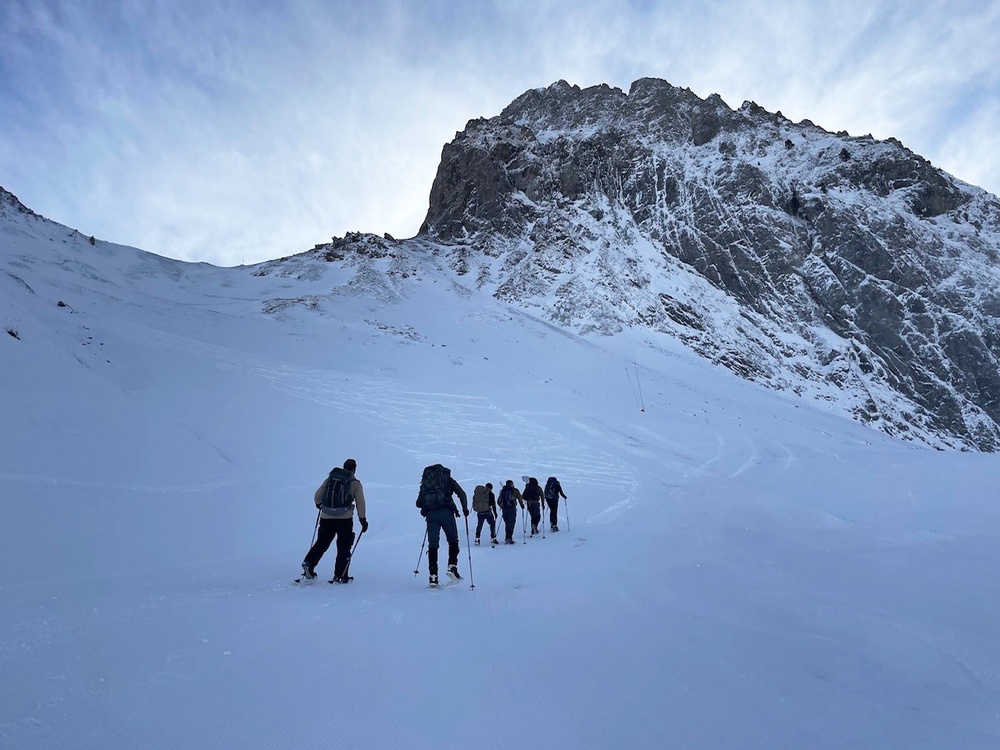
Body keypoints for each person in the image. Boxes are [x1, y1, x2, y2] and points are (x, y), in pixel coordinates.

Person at [302, 458, 368, 583]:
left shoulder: (330, 479)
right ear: (354, 469)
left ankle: (309, 563)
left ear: (343, 467)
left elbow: (317, 497)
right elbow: (360, 503)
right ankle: (340, 575)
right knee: (343, 547)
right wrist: (363, 520)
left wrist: (320, 505)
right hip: (345, 519)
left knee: (322, 543)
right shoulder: (355, 483)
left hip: (326, 517)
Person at [415, 464, 469, 586]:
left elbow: (418, 503)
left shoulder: (426, 483)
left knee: (433, 545)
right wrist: (465, 509)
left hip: (431, 516)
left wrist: (430, 502)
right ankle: (452, 567)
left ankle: (433, 577)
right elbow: (462, 493)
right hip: (446, 513)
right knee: (453, 540)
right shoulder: (447, 479)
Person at [496, 479, 523, 544]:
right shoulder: (515, 490)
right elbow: (520, 498)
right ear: (512, 484)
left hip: (504, 510)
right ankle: (509, 537)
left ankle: (507, 537)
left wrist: (502, 507)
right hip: (512, 509)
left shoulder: (503, 491)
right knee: (511, 523)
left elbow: (498, 501)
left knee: (507, 523)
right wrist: (522, 505)